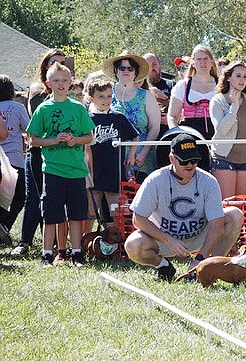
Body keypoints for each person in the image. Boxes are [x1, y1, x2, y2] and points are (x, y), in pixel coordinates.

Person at [125, 134, 244, 281]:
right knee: (132, 244)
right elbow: (138, 219)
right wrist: (168, 240)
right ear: (171, 159)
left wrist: (199, 259)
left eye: (194, 160)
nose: (190, 165)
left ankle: (210, 267)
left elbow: (217, 225)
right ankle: (163, 266)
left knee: (235, 215)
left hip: (199, 236)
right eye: (184, 161)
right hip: (163, 240)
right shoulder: (155, 180)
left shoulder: (209, 181)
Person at [25, 62, 95, 266]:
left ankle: (76, 253)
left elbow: (89, 137)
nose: (61, 84)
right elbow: (32, 140)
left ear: (71, 81)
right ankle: (47, 253)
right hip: (53, 170)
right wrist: (53, 140)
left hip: (76, 170)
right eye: (56, 80)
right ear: (49, 83)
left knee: (76, 215)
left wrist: (75, 140)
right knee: (52, 214)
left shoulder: (78, 108)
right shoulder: (43, 108)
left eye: (65, 80)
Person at [12, 49, 68, 258]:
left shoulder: (66, 94)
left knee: (55, 198)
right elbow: (41, 119)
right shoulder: (37, 89)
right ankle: (24, 242)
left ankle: (53, 244)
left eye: (63, 63)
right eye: (54, 62)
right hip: (38, 151)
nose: (59, 66)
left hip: (59, 153)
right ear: (46, 66)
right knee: (35, 197)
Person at [85, 78, 139, 231]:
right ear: (91, 98)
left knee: (116, 211)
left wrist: (131, 154)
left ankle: (117, 242)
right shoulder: (87, 119)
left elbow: (135, 137)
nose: (106, 100)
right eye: (101, 96)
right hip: (93, 173)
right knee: (90, 212)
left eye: (109, 96)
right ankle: (86, 241)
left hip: (114, 173)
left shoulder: (118, 118)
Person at [104, 51, 162, 182]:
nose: (126, 71)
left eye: (130, 68)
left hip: (141, 160)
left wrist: (143, 153)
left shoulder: (146, 96)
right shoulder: (106, 94)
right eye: (122, 68)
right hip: (111, 158)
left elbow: (154, 128)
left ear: (135, 73)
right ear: (116, 71)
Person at [209, 61, 246, 199]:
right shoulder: (217, 101)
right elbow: (221, 130)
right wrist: (234, 106)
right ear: (228, 78)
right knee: (227, 203)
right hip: (224, 157)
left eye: (245, 76)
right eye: (238, 76)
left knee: (240, 204)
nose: (242, 80)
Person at [168, 45, 220, 152]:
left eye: (205, 58)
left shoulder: (222, 85)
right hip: (191, 136)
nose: (202, 62)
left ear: (211, 61)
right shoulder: (182, 85)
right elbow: (172, 116)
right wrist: (177, 136)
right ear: (193, 62)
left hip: (219, 135)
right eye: (199, 59)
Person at [0, 75, 30, 239]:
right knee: (19, 198)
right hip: (14, 160)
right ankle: (4, 225)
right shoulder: (17, 107)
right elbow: (29, 129)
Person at [143, 53, 174, 132]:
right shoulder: (139, 87)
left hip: (167, 130)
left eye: (154, 64)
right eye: (148, 65)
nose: (152, 68)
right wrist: (150, 92)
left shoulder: (172, 85)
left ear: (160, 66)